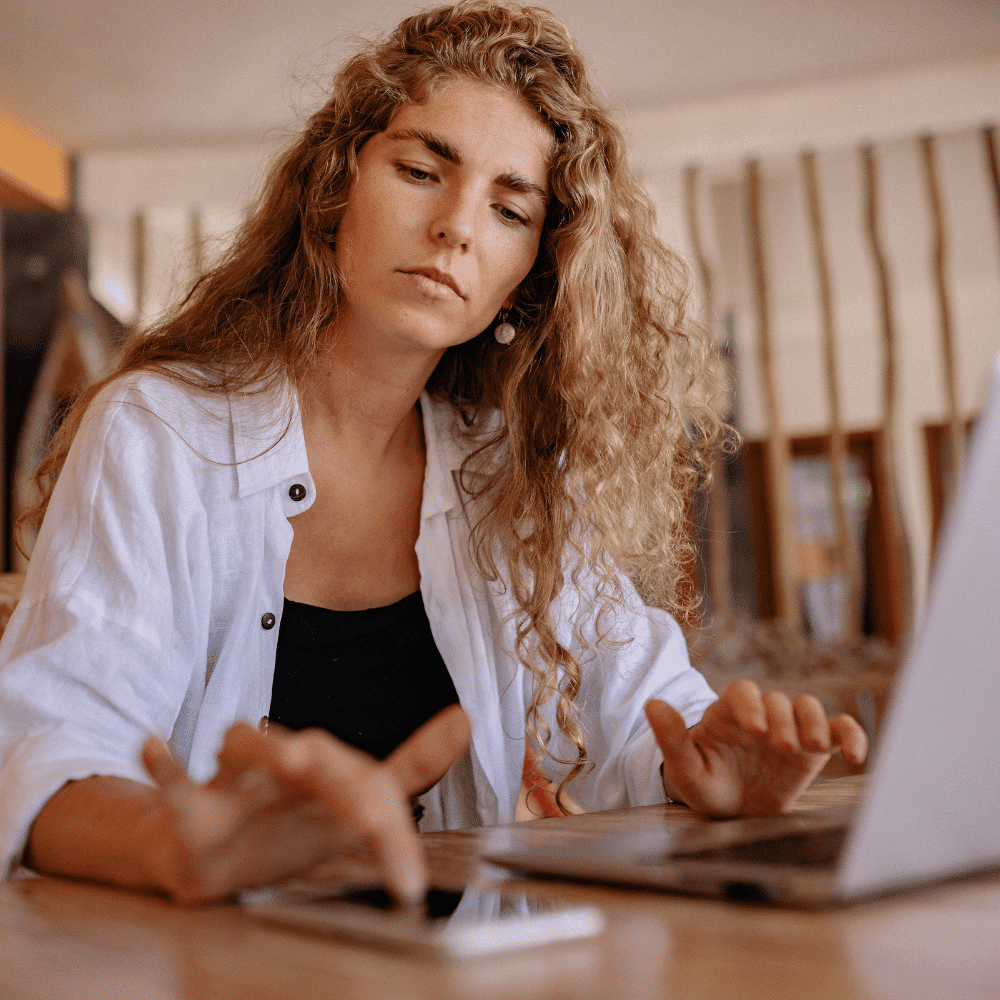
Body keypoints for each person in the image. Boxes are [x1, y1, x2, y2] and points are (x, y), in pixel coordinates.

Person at [0, 1, 866, 906]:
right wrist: (174, 841)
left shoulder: (511, 475)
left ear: (527, 279)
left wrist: (708, 770)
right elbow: (50, 750)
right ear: (335, 189)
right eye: (420, 169)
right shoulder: (158, 435)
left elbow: (651, 715)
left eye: (509, 209)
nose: (457, 225)